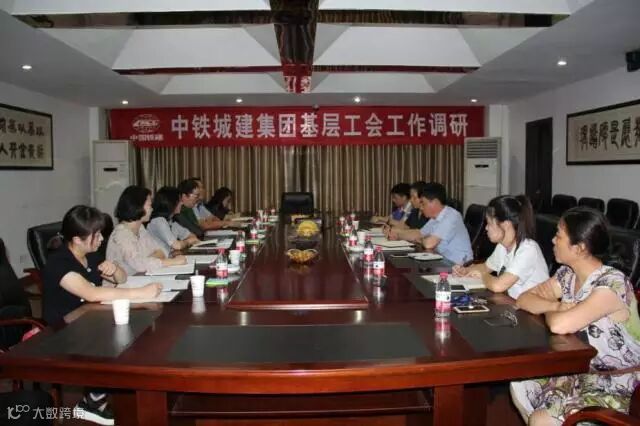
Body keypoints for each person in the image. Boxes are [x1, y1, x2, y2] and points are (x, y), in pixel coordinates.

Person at [511, 207, 640, 425]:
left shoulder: (612, 283)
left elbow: (560, 325)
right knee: (520, 382)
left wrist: (553, 311)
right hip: (580, 372)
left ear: (579, 248)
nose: (553, 240)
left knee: (541, 419)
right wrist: (557, 305)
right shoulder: (567, 275)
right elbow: (523, 299)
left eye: (559, 235)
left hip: (620, 384)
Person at [42, 205, 162, 425]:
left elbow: (122, 279)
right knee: (119, 339)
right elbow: (91, 293)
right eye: (96, 235)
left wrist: (114, 270)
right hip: (63, 329)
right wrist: (140, 293)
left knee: (136, 331)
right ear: (77, 239)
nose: (101, 239)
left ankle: (118, 395)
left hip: (88, 319)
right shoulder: (59, 263)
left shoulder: (90, 255)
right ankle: (92, 402)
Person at [452, 195, 548, 299]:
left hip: (530, 308)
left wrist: (482, 275)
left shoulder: (528, 249)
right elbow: (485, 267)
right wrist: (465, 271)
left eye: (489, 223)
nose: (486, 228)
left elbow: (498, 286)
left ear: (505, 225)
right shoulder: (502, 246)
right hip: (511, 302)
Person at [107, 186, 186, 275]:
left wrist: (146, 261)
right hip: (125, 282)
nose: (152, 209)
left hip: (140, 277)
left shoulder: (140, 228)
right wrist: (173, 262)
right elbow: (139, 265)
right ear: (138, 206)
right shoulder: (121, 234)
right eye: (149, 205)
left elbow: (161, 251)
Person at [147, 186, 200, 255]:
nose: (182, 203)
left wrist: (186, 242)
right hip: (161, 260)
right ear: (171, 203)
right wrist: (188, 242)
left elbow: (192, 236)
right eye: (179, 201)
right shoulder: (158, 221)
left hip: (170, 258)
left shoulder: (171, 222)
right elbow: (177, 246)